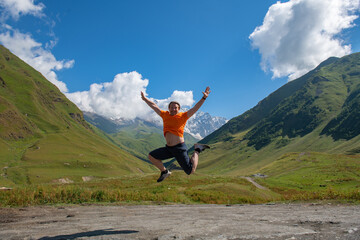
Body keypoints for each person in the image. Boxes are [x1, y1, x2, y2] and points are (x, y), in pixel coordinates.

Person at [141, 87, 211, 182]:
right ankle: (165, 171)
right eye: (172, 107)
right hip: (169, 148)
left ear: (178, 109)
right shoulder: (164, 115)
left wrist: (204, 98)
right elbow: (154, 106)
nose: (173, 109)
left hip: (179, 148)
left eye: (176, 107)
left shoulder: (183, 116)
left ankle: (197, 149)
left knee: (190, 171)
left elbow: (195, 108)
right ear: (169, 108)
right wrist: (145, 99)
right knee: (151, 156)